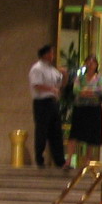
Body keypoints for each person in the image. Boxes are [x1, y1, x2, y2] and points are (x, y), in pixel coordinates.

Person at [28, 43, 69, 171]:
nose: (53, 55)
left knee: (56, 131)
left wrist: (65, 75)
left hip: (53, 102)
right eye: (51, 53)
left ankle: (60, 161)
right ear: (45, 54)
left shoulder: (52, 69)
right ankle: (39, 159)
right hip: (42, 103)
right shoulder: (37, 68)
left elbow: (61, 85)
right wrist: (51, 89)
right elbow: (36, 85)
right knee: (42, 131)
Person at [67, 55, 102, 166]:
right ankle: (68, 160)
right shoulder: (79, 78)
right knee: (74, 134)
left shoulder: (99, 78)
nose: (90, 65)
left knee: (91, 136)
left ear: (96, 65)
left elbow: (99, 91)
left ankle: (87, 161)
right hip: (80, 108)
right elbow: (76, 90)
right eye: (88, 63)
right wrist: (88, 92)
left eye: (93, 63)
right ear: (85, 64)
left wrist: (87, 92)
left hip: (93, 109)